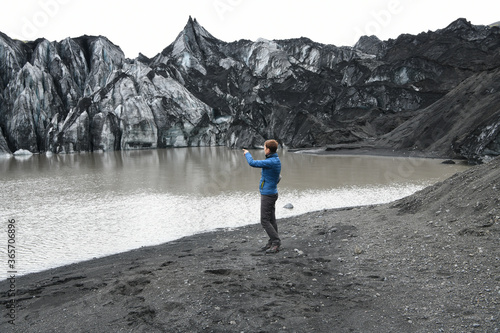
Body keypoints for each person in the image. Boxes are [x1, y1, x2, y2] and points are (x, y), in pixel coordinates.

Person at [243, 140, 282, 253]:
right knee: (271, 219)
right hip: (271, 193)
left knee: (264, 220)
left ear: (268, 149)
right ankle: (272, 242)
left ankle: (276, 241)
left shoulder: (271, 161)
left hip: (268, 195)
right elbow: (278, 177)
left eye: (265, 147)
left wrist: (247, 153)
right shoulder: (275, 160)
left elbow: (252, 163)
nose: (264, 149)